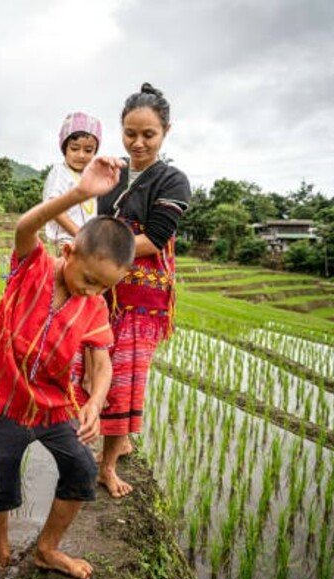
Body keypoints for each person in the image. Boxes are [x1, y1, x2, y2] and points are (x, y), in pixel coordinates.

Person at [0, 156, 135, 579]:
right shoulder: (31, 269)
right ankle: (0, 551)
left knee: (83, 469)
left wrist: (95, 400)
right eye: (89, 279)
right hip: (5, 401)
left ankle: (46, 550)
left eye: (105, 287)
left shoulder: (93, 308)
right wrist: (80, 194)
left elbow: (103, 364)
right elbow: (24, 227)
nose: (93, 291)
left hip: (53, 405)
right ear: (68, 252)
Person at [95, 83, 191, 499]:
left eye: (148, 135)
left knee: (124, 380)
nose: (138, 143)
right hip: (104, 286)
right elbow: (98, 218)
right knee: (94, 367)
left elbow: (153, 238)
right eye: (130, 133)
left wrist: (97, 252)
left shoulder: (173, 180)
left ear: (166, 131)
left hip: (141, 297)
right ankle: (111, 439)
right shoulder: (111, 172)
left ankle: (107, 466)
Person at [41, 112, 103, 256]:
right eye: (74, 148)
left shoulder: (89, 178)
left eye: (88, 150)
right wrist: (80, 234)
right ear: (64, 148)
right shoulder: (60, 172)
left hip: (84, 243)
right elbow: (54, 208)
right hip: (65, 244)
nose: (81, 155)